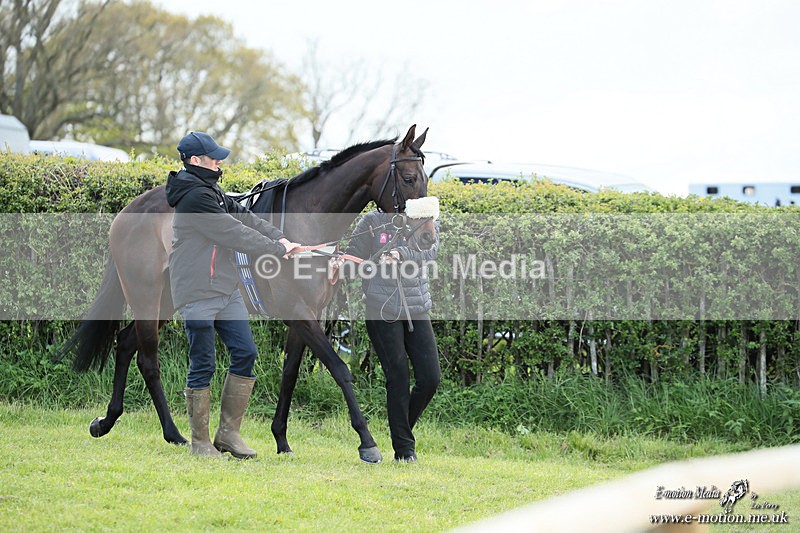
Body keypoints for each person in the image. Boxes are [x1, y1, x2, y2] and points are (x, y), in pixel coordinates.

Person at [165, 131, 301, 459]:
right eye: (213, 157)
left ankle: (228, 435)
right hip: (197, 290)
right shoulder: (194, 197)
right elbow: (231, 232)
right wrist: (274, 250)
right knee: (204, 363)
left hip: (225, 289)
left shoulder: (211, 189)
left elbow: (245, 217)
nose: (219, 160)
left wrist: (280, 238)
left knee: (246, 352)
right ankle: (200, 442)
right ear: (195, 161)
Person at [344, 199, 441, 462]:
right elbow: (355, 254)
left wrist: (402, 254)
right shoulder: (372, 221)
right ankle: (404, 450)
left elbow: (430, 249)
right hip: (381, 308)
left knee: (430, 378)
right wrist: (344, 263)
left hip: (416, 307)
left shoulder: (425, 214)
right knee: (397, 376)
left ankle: (401, 429)